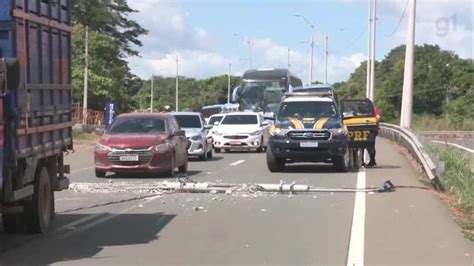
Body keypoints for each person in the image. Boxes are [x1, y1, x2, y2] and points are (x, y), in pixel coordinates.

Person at [366, 102, 381, 167]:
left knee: (370, 145)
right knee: (370, 145)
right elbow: (378, 117)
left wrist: (373, 122)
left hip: (371, 129)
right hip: (371, 129)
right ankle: (372, 160)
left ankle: (372, 160)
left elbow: (378, 117)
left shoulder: (372, 109)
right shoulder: (372, 109)